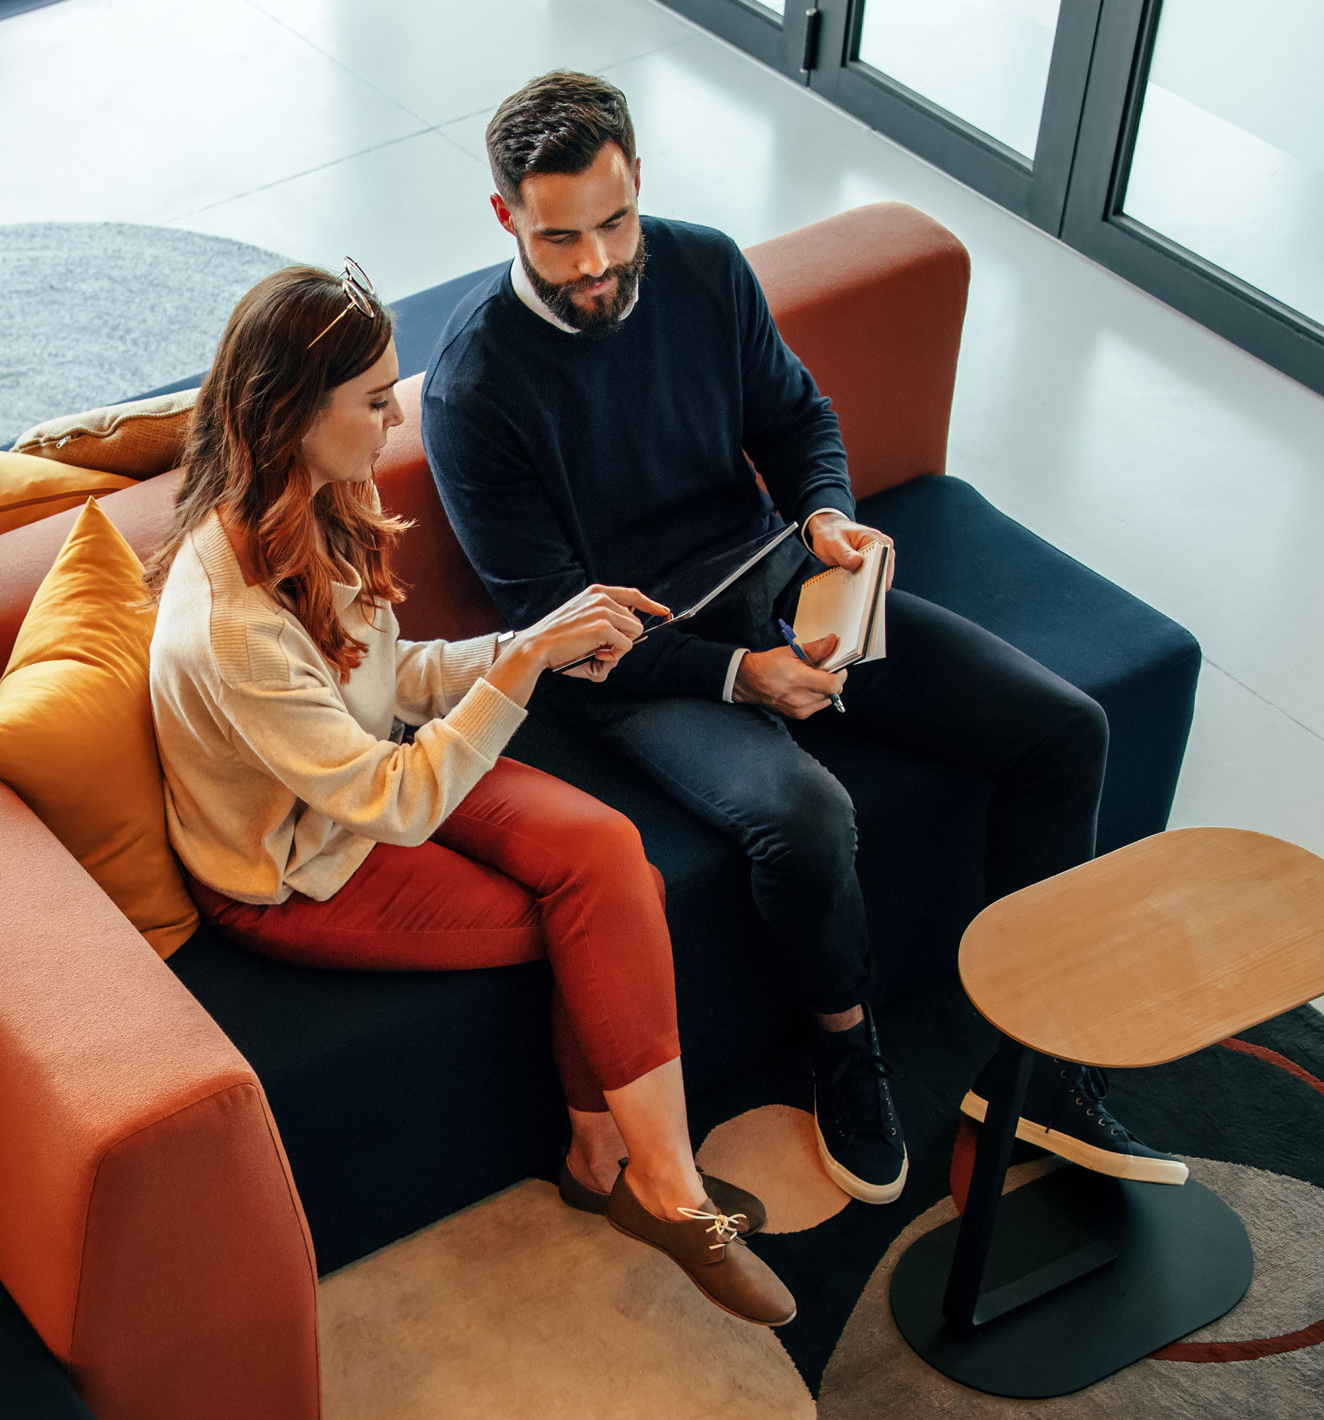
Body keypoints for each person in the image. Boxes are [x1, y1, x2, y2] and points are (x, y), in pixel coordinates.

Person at [423, 72, 1182, 1208]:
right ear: (505, 220)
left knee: (1063, 730)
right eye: (561, 237)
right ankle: (844, 1048)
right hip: (630, 664)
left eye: (614, 223)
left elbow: (793, 414)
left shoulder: (705, 267)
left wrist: (823, 509)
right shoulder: (475, 387)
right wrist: (741, 677)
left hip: (773, 580)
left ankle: (1040, 1064)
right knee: (805, 817)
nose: (594, 264)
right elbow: (559, 624)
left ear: (640, 186)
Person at [148, 261, 797, 1326]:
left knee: (609, 856)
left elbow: (389, 678)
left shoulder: (316, 501)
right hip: (294, 871)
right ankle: (667, 1192)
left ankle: (609, 1162)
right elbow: (395, 803)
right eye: (371, 400)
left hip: (374, 769)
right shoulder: (233, 627)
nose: (395, 417)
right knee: (588, 912)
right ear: (293, 413)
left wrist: (530, 642)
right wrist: (520, 670)